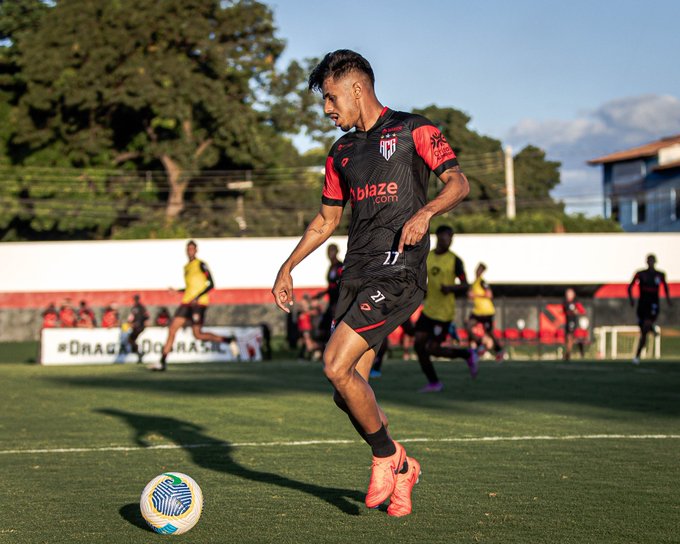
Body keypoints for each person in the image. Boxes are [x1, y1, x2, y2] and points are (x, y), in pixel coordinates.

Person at [271, 50, 470, 517]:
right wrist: (287, 266)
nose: (327, 109)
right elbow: (326, 220)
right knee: (347, 390)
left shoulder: (412, 129)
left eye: (331, 97)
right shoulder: (340, 153)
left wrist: (425, 213)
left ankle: (383, 456)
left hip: (399, 269)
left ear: (357, 88)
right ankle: (401, 465)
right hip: (356, 273)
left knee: (334, 365)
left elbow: (457, 183)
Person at [153, 240, 236, 371]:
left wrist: (197, 297)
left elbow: (211, 284)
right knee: (172, 328)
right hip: (186, 302)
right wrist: (177, 291)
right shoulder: (186, 267)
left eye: (192, 249)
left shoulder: (201, 264)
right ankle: (162, 362)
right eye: (188, 249)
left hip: (199, 304)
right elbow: (189, 287)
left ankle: (228, 340)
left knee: (198, 335)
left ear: (196, 250)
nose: (190, 251)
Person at [414, 225, 477, 392]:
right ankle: (434, 382)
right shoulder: (428, 257)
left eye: (451, 238)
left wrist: (450, 288)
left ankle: (466, 354)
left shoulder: (455, 261)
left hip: (443, 313)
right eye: (446, 237)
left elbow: (465, 286)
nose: (448, 241)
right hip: (428, 310)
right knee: (418, 345)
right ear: (439, 237)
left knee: (433, 349)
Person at [628, 254, 672, 364]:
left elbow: (665, 287)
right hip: (642, 304)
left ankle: (637, 356)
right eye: (649, 260)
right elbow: (630, 287)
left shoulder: (660, 275)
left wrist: (668, 300)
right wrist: (631, 300)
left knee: (646, 326)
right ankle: (652, 330)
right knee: (644, 331)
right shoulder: (640, 274)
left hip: (653, 304)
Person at [467, 263, 504, 360]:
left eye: (480, 270)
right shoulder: (475, 282)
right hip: (477, 312)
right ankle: (479, 346)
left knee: (490, 332)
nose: (477, 271)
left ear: (482, 271)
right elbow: (471, 295)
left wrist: (475, 296)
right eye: (477, 269)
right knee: (469, 326)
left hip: (487, 311)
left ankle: (499, 350)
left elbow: (489, 294)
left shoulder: (482, 282)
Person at [314, 243, 344, 345]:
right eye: (328, 251)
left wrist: (338, 302)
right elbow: (331, 285)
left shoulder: (340, 266)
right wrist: (323, 294)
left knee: (334, 326)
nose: (330, 254)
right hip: (331, 301)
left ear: (337, 252)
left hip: (337, 302)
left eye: (332, 251)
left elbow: (341, 284)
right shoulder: (331, 267)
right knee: (323, 329)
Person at [562, 288, 586, 361]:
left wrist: (576, 312)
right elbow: (565, 311)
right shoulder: (565, 302)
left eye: (570, 293)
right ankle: (568, 353)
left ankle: (568, 354)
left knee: (570, 337)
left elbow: (582, 311)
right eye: (567, 293)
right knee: (567, 338)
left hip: (573, 322)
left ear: (573, 294)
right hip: (567, 322)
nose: (568, 295)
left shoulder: (576, 303)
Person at [126, 294, 150, 363]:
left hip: (139, 326)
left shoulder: (139, 307)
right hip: (137, 326)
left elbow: (146, 316)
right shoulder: (137, 307)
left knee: (131, 340)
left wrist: (142, 323)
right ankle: (139, 353)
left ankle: (139, 352)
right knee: (131, 340)